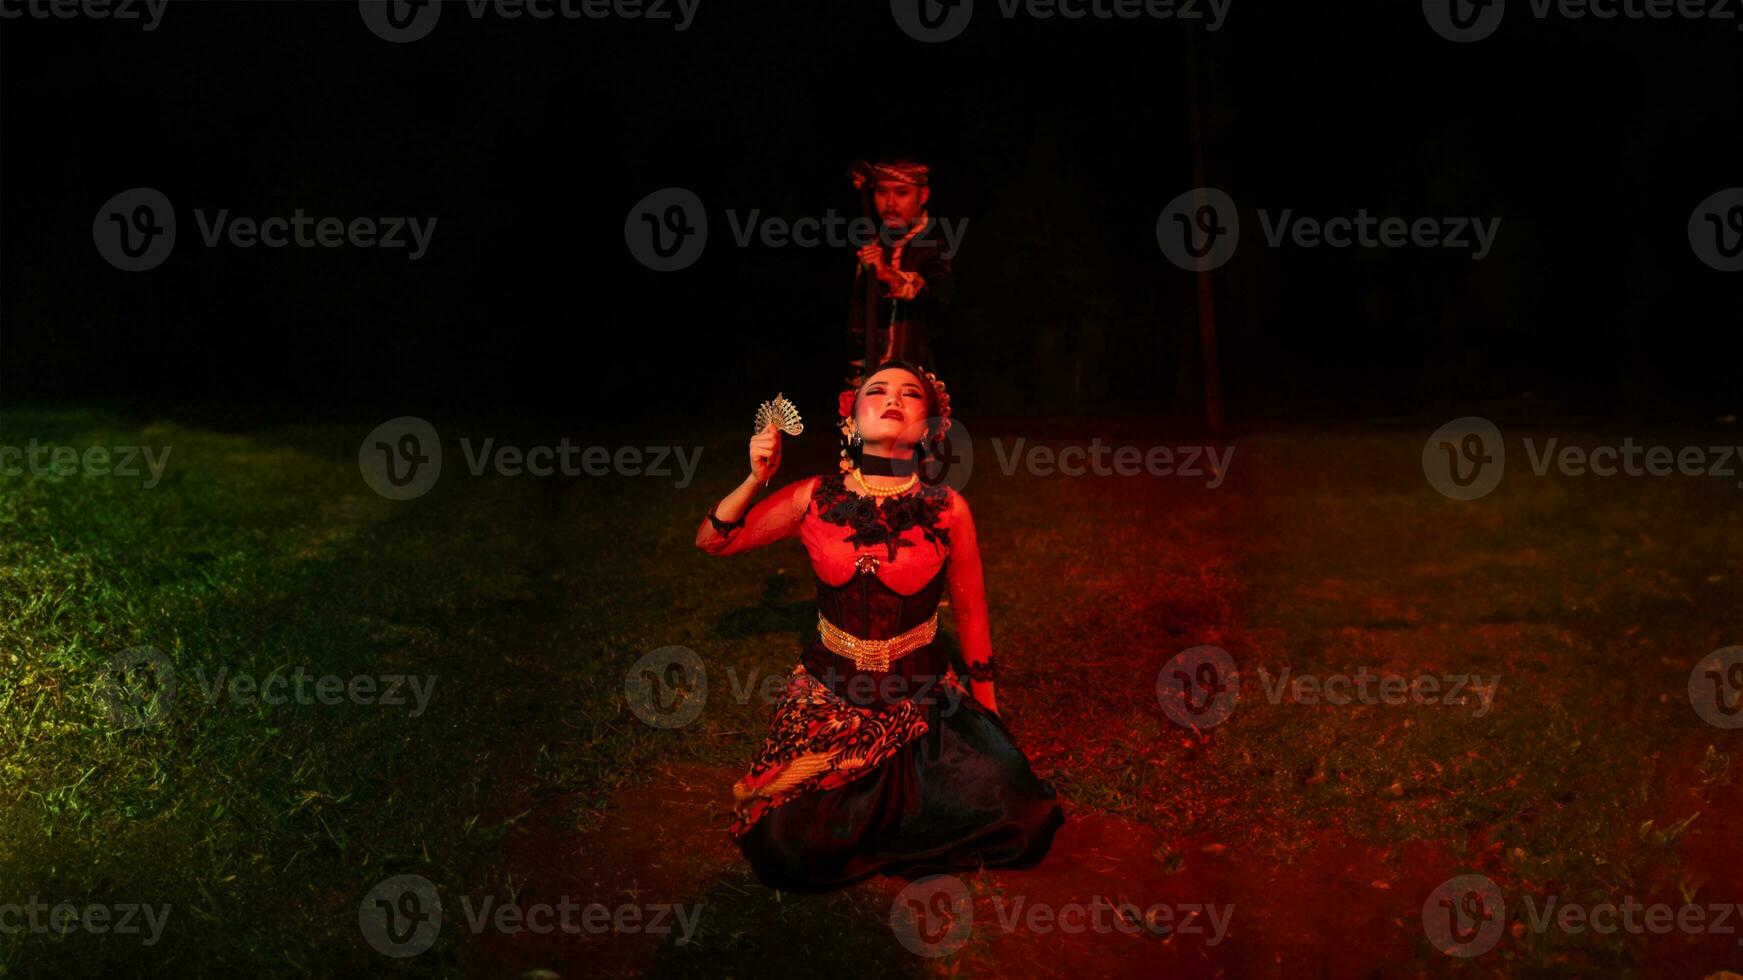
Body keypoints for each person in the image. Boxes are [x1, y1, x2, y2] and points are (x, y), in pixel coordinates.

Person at [695, 360, 1062, 891]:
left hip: (922, 696)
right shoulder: (814, 497)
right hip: (830, 696)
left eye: (910, 394)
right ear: (851, 420)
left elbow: (972, 612)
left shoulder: (947, 508)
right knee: (784, 849)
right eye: (878, 390)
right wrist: (756, 478)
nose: (893, 398)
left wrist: (989, 715)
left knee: (1023, 816)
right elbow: (713, 541)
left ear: (931, 430)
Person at [848, 159, 956, 372]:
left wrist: (887, 275)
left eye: (901, 193)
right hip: (872, 375)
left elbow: (941, 297)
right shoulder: (876, 244)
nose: (889, 203)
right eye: (881, 192)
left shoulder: (938, 242)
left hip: (920, 375)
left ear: (923, 196)